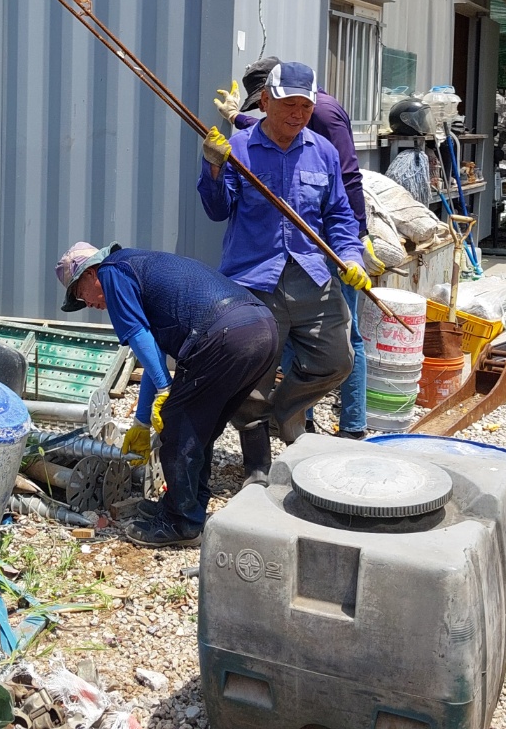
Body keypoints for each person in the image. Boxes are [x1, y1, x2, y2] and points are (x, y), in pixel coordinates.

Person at [197, 61, 371, 487]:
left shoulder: (322, 151)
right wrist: (214, 168)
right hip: (254, 278)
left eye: (305, 107)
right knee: (253, 373)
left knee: (337, 359)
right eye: (289, 104)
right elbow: (217, 211)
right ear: (268, 102)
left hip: (312, 275)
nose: (297, 114)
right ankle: (256, 465)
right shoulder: (240, 147)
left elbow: (339, 216)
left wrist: (352, 256)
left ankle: (281, 412)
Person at [56, 242, 279, 548]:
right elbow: (152, 355)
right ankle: (187, 508)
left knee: (178, 427)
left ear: (91, 272)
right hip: (261, 328)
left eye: (80, 292)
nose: (85, 302)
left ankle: (180, 523)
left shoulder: (111, 273)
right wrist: (141, 420)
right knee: (199, 431)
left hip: (225, 335)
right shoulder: (138, 267)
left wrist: (165, 391)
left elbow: (136, 335)